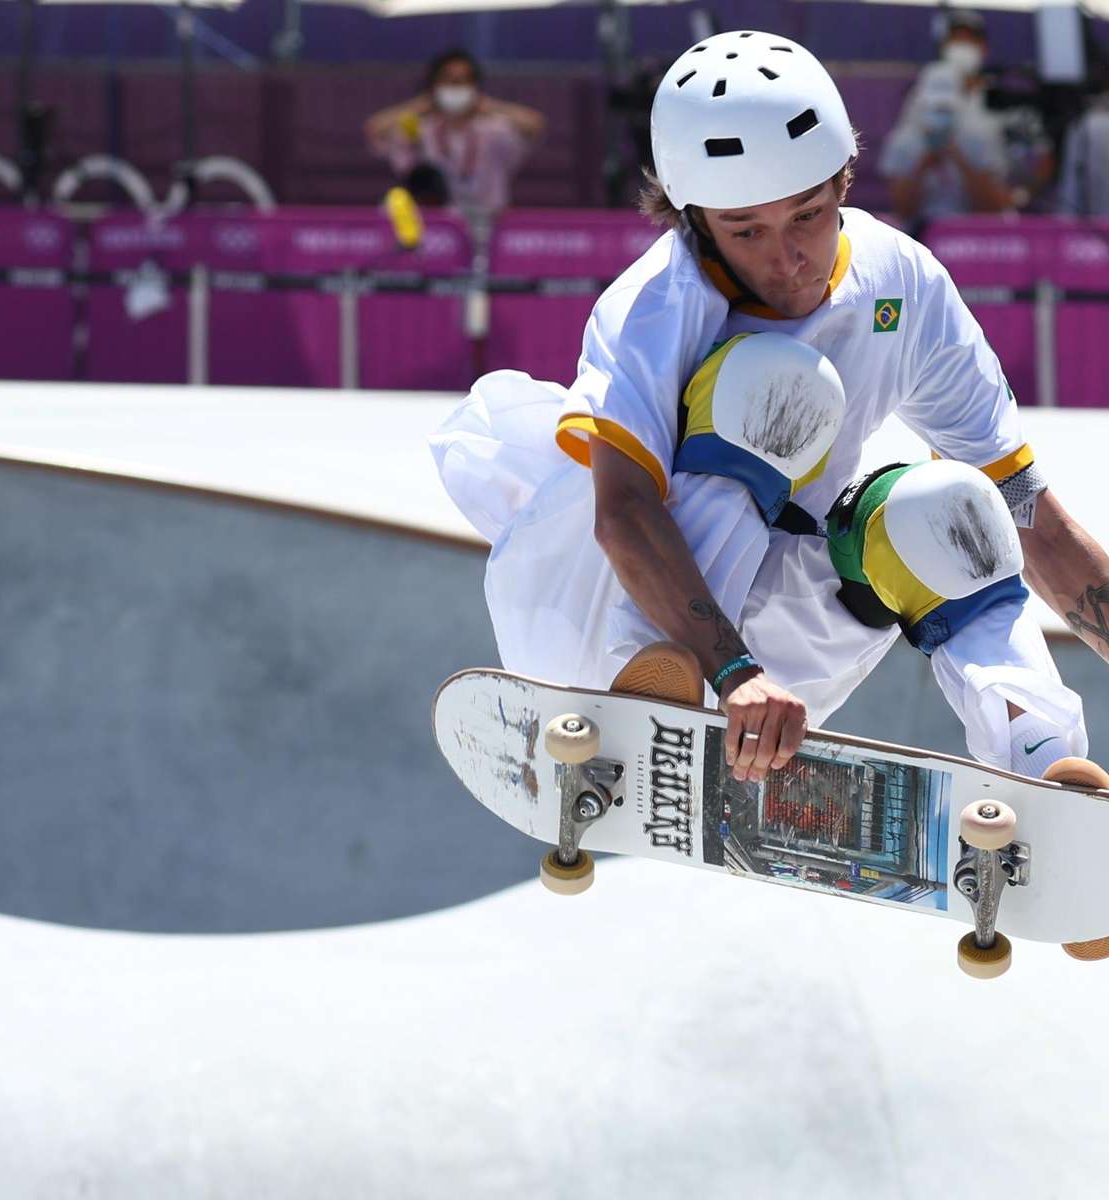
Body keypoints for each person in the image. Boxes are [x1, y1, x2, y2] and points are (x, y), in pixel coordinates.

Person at [429, 30, 1109, 948]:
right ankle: (655, 682)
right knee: (779, 385)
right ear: (690, 220)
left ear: (844, 184)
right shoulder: (655, 304)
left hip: (769, 665)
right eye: (745, 232)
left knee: (953, 508)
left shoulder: (902, 282)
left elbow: (1031, 519)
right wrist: (730, 672)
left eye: (807, 218)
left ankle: (1040, 764)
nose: (786, 259)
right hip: (607, 620)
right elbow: (622, 510)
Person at [363, 49, 546, 233]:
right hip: (434, 230)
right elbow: (375, 128)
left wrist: (488, 105)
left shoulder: (494, 130)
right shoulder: (420, 129)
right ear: (434, 85)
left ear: (475, 87)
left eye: (463, 81)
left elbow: (534, 125)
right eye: (449, 80)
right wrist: (423, 104)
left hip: (488, 226)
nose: (456, 87)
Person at [878, 10, 1015, 232]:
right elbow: (903, 209)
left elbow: (995, 207)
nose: (941, 112)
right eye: (935, 106)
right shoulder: (907, 139)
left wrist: (955, 154)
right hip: (923, 236)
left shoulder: (982, 134)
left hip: (975, 237)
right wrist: (926, 159)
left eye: (947, 106)